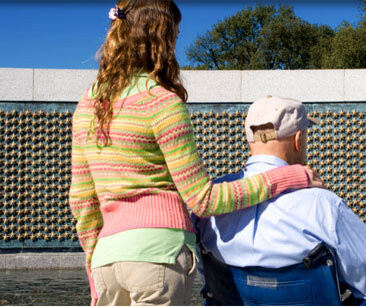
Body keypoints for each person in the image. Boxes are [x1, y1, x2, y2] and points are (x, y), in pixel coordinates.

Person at [68, 0, 320, 304]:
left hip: (106, 262)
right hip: (158, 257)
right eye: (174, 34)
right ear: (162, 39)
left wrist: (93, 266)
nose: (176, 43)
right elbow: (203, 200)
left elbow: (82, 199)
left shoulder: (89, 103)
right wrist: (287, 177)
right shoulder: (161, 102)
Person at [197, 96, 366, 305]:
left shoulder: (211, 203)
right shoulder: (323, 205)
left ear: (249, 139)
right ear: (298, 140)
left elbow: (206, 278)